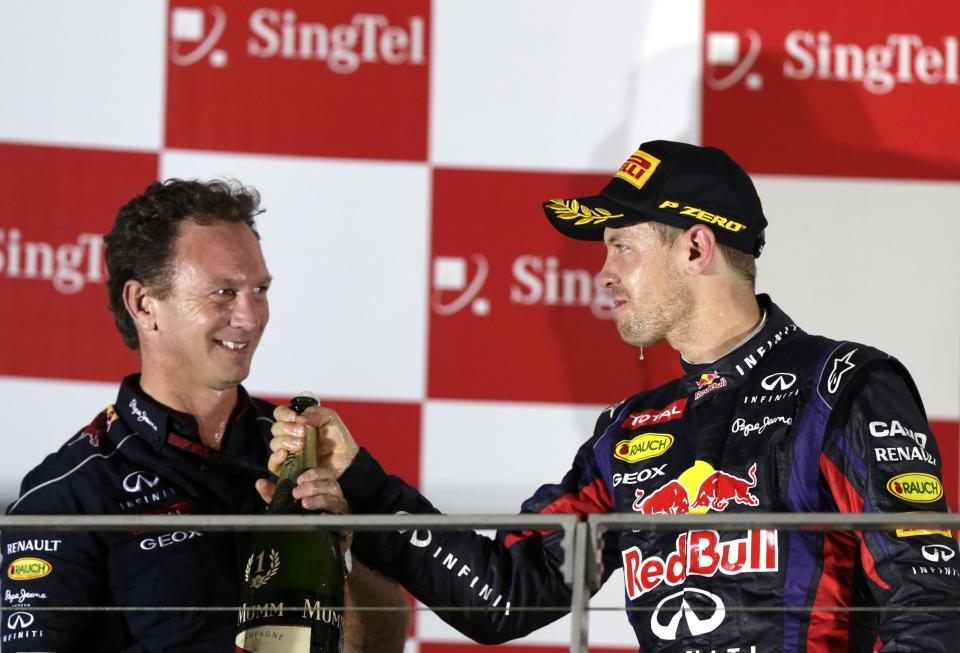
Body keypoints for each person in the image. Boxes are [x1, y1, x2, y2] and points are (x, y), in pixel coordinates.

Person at [267, 141, 960, 651]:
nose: (602, 273)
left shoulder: (844, 385)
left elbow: (929, 600)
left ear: (695, 248)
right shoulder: (628, 432)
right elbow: (506, 595)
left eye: (621, 246)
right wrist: (363, 481)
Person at [0, 179, 409, 651]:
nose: (251, 316)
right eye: (223, 292)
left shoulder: (302, 451)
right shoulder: (68, 496)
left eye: (259, 289)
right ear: (144, 305)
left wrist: (341, 558)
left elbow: (382, 644)